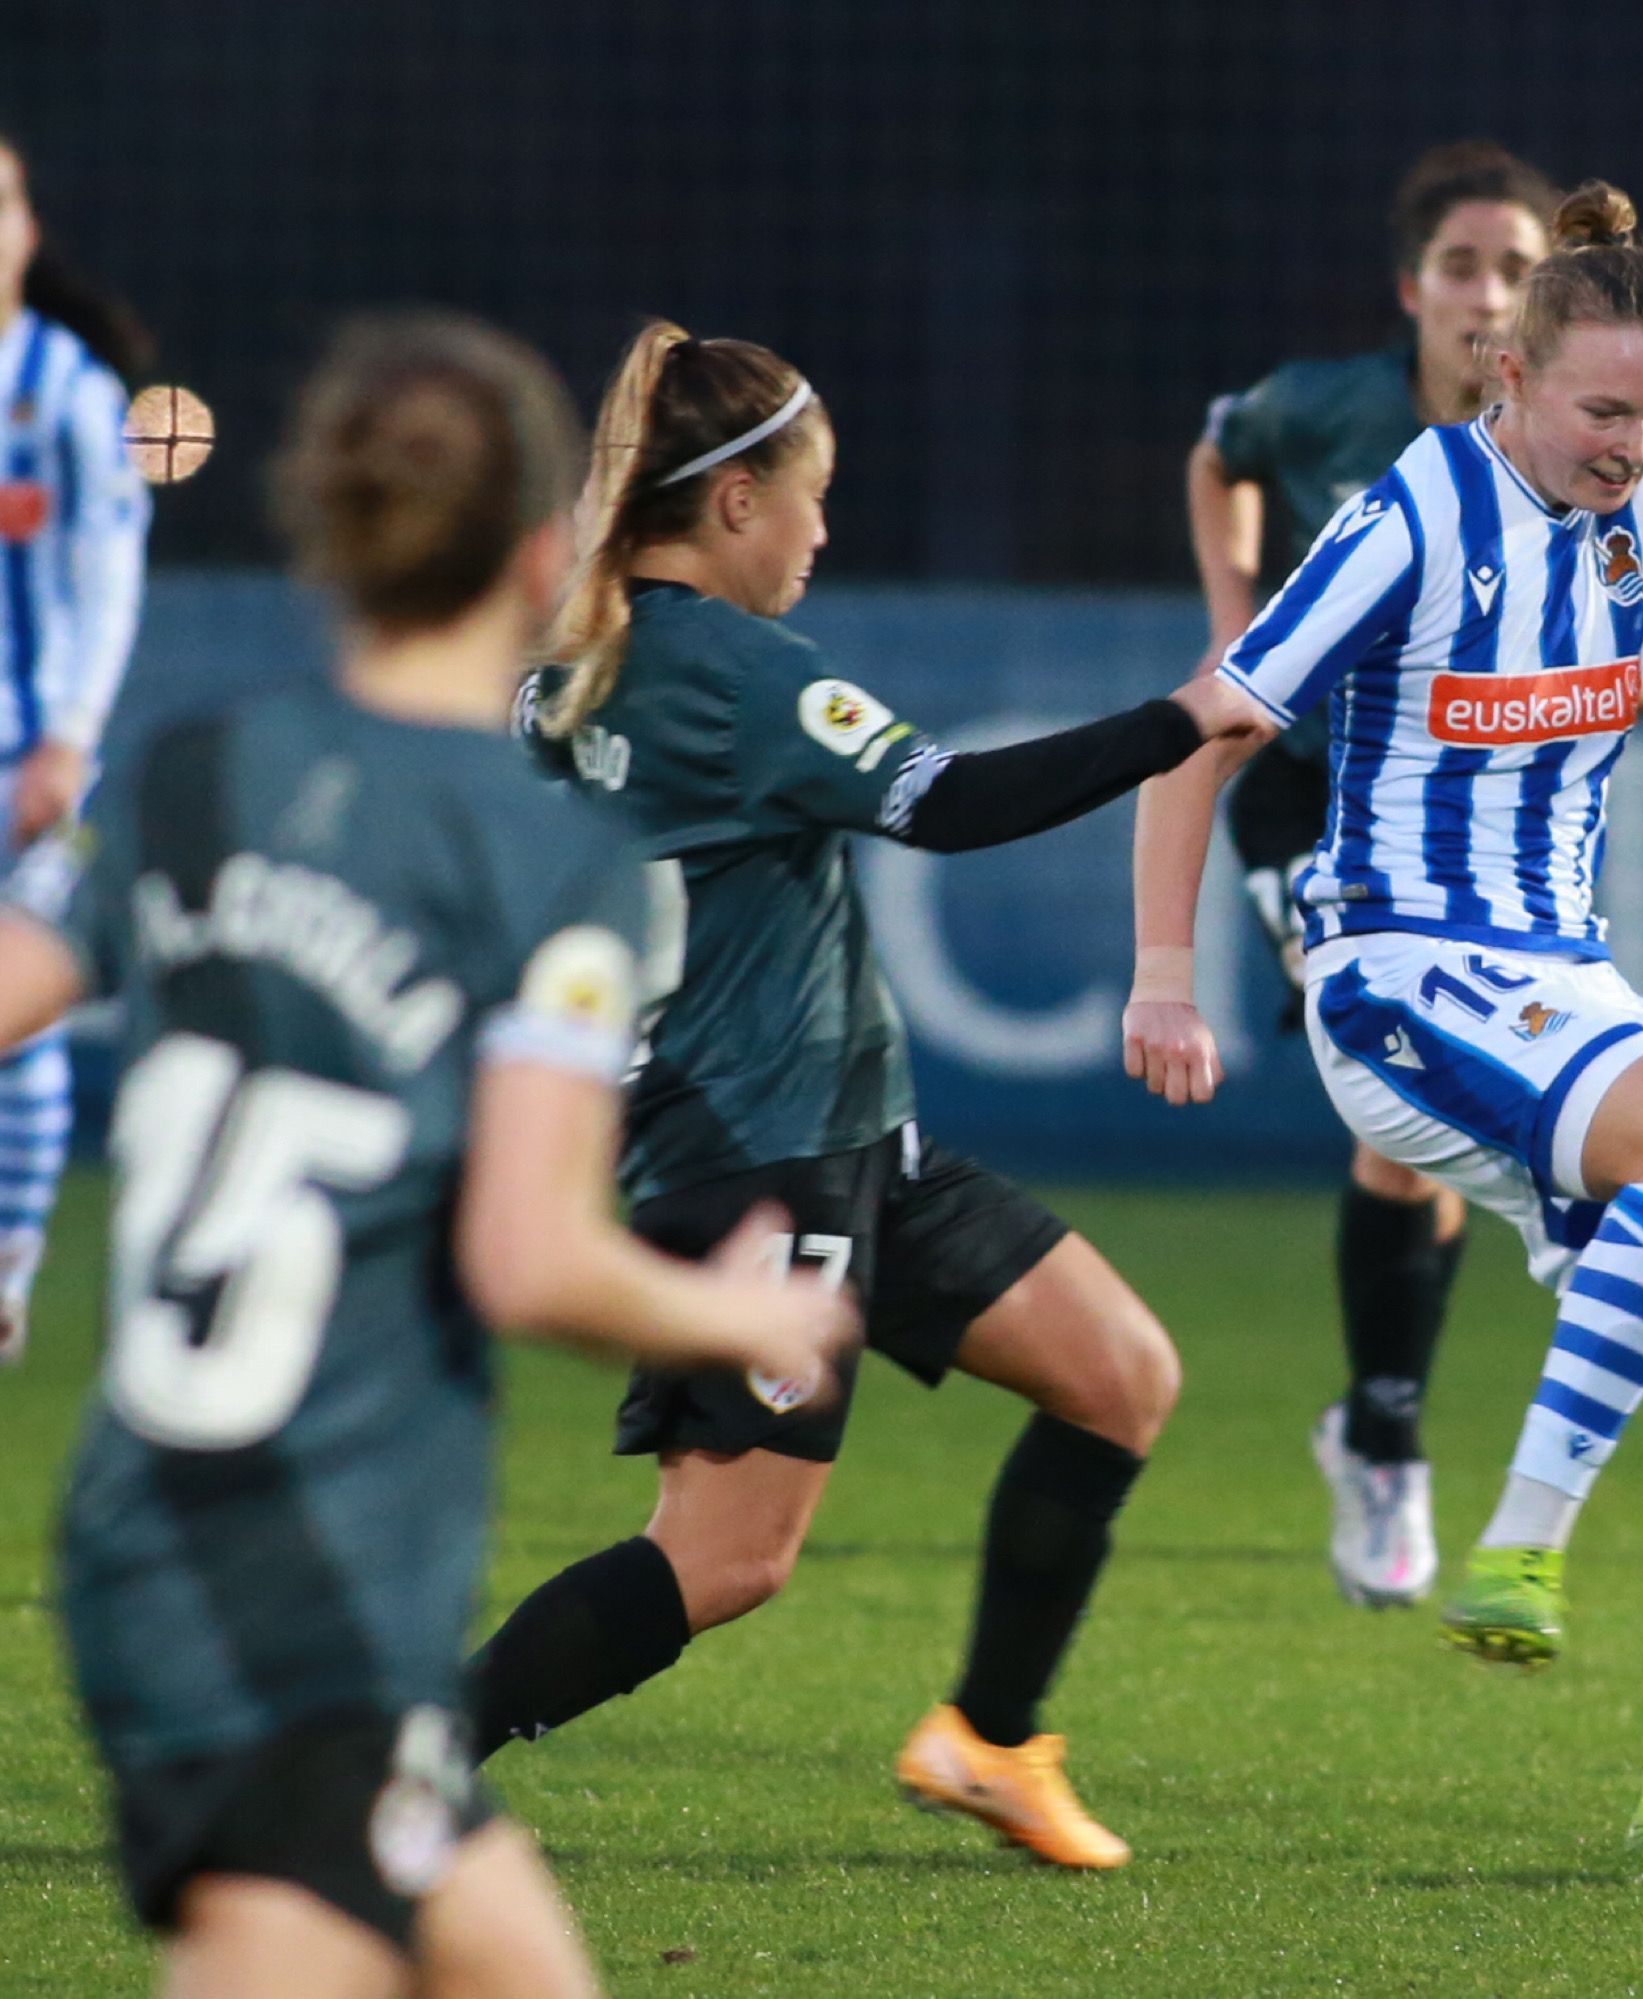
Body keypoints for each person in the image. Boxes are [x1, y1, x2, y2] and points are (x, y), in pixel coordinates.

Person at [0, 313, 853, 1999]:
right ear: (546, 548)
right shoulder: (546, 855)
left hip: (164, 1527)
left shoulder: (193, 777)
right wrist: (740, 1314)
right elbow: (528, 1257)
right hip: (297, 1565)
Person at [1126, 182, 1643, 1845]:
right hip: (1391, 970)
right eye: (1605, 412)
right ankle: (1523, 1537)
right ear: (1512, 375)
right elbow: (1203, 731)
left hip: (1560, 977)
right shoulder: (1412, 512)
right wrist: (1163, 973)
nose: (1636, 445)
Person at [464, 321, 1249, 1870]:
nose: (824, 532)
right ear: (737, 499)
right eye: (812, 496)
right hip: (765, 1165)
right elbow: (950, 803)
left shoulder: (565, 674)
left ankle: (988, 1740)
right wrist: (1185, 714)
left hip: (846, 1141)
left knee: (1118, 1373)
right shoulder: (736, 672)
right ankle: (406, 1759)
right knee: (725, 1558)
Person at [1190, 140, 1643, 1611]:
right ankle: (1392, 1440)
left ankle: (1379, 1424)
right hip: (1316, 803)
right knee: (1399, 1099)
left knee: (1412, 1127)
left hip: (1489, 824)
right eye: (1462, 266)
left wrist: (1562, 670)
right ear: (1411, 287)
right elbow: (1220, 453)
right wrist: (1234, 618)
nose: (1487, 292)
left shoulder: (1601, 452)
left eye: (1515, 267)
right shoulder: (1336, 418)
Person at [0, 130, 154, 1363]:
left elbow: (107, 579)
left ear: (29, 226)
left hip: (23, 762)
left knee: (21, 1011)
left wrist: (70, 740)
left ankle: (9, 1262)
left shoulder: (66, 389)